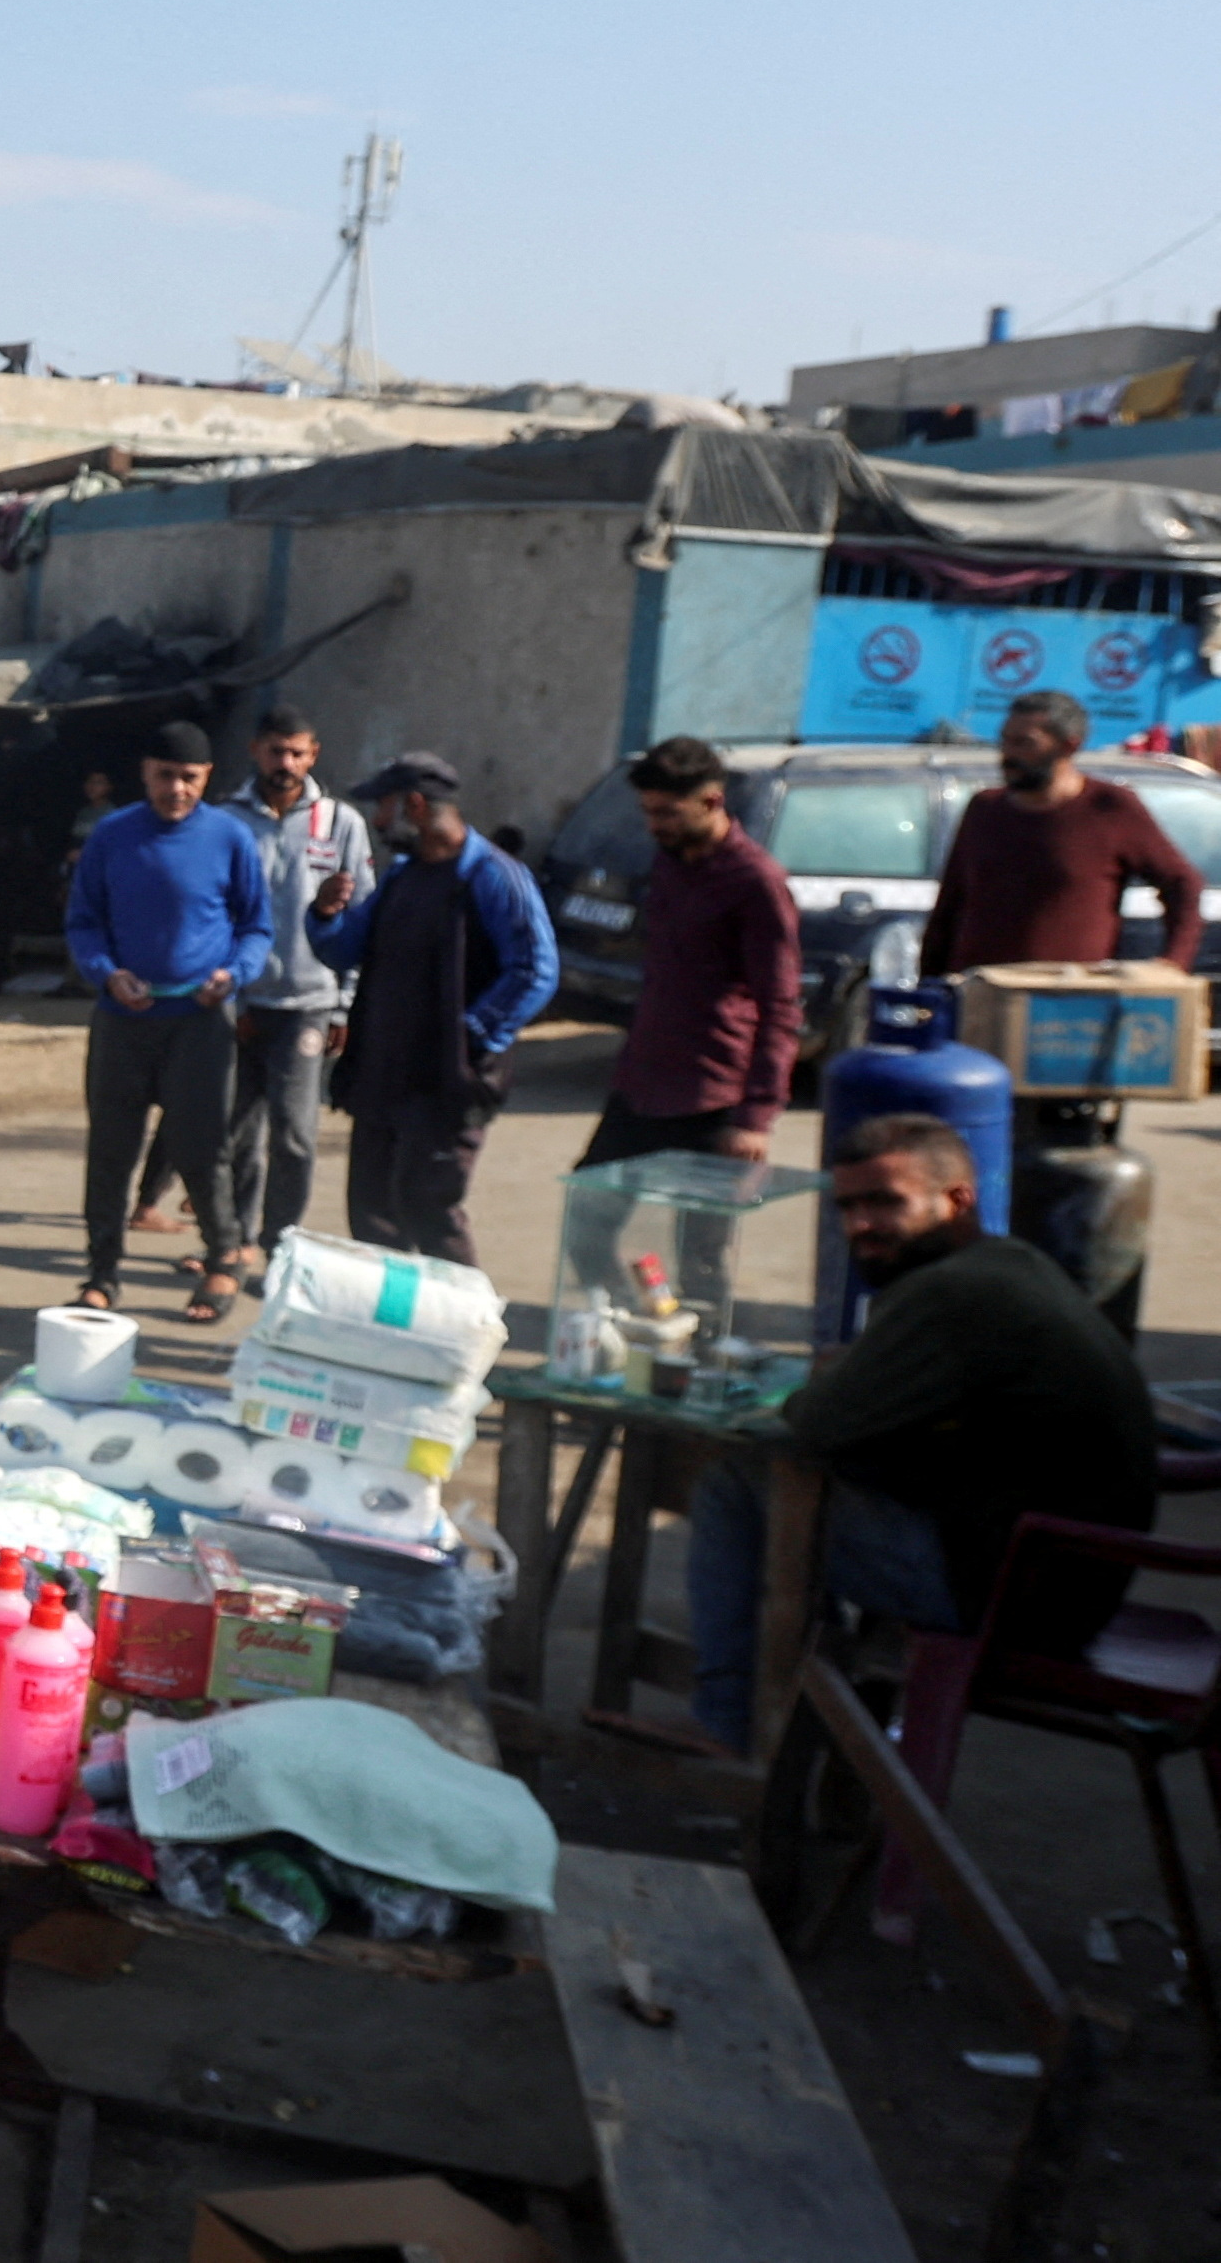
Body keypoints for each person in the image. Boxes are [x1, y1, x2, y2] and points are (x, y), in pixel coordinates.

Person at [681, 1113, 1158, 1754]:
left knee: (737, 1486)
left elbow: (819, 1424)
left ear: (956, 1199)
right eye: (848, 1207)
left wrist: (830, 1383)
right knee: (826, 1480)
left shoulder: (951, 1293)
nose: (861, 1226)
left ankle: (732, 1731)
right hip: (1068, 1581)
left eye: (885, 1202)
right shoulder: (1008, 1264)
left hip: (1018, 1598)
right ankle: (803, 1720)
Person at [566, 736, 803, 1299]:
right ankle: (635, 1325)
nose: (656, 826)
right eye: (649, 812)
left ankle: (696, 1364)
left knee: (701, 1255)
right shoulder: (669, 863)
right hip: (642, 1084)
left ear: (713, 801)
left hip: (713, 1097)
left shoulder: (755, 882)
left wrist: (756, 1119)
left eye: (668, 813)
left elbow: (781, 1005)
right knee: (586, 1218)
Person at [307, 753, 557, 1267]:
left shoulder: (492, 876)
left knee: (427, 1206)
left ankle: (463, 1331)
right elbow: (343, 949)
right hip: (383, 1075)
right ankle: (396, 1331)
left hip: (447, 1081)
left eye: (385, 806)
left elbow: (534, 970)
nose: (378, 820)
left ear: (415, 806)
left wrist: (470, 1036)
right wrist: (325, 914)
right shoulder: (402, 878)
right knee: (373, 1210)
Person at [62, 719, 270, 1321]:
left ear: (206, 777)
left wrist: (235, 973)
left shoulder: (229, 837)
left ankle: (223, 1259)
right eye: (164, 776)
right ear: (145, 774)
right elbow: (83, 922)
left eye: (189, 778)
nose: (176, 789)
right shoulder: (113, 835)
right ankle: (101, 1275)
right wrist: (106, 972)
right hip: (122, 1020)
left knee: (203, 1150)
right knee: (111, 1153)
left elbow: (256, 927)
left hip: (200, 1022)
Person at [212, 707, 370, 1279]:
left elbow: (359, 920)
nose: (287, 764)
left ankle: (282, 1244)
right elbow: (212, 914)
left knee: (296, 1135)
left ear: (314, 755)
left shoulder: (340, 823)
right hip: (239, 1002)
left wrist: (345, 1003)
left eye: (298, 753)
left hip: (310, 1004)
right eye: (277, 752)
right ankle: (232, 1241)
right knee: (233, 1133)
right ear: (256, 751)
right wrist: (231, 998)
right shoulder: (227, 820)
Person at [922, 688, 1206, 976]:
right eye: (1005, 740)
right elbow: (949, 907)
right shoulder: (985, 808)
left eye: (1025, 743)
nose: (1008, 754)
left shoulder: (1109, 808)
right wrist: (929, 987)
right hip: (980, 993)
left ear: (1068, 746)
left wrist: (1172, 964)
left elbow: (1183, 884)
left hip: (1066, 1003)